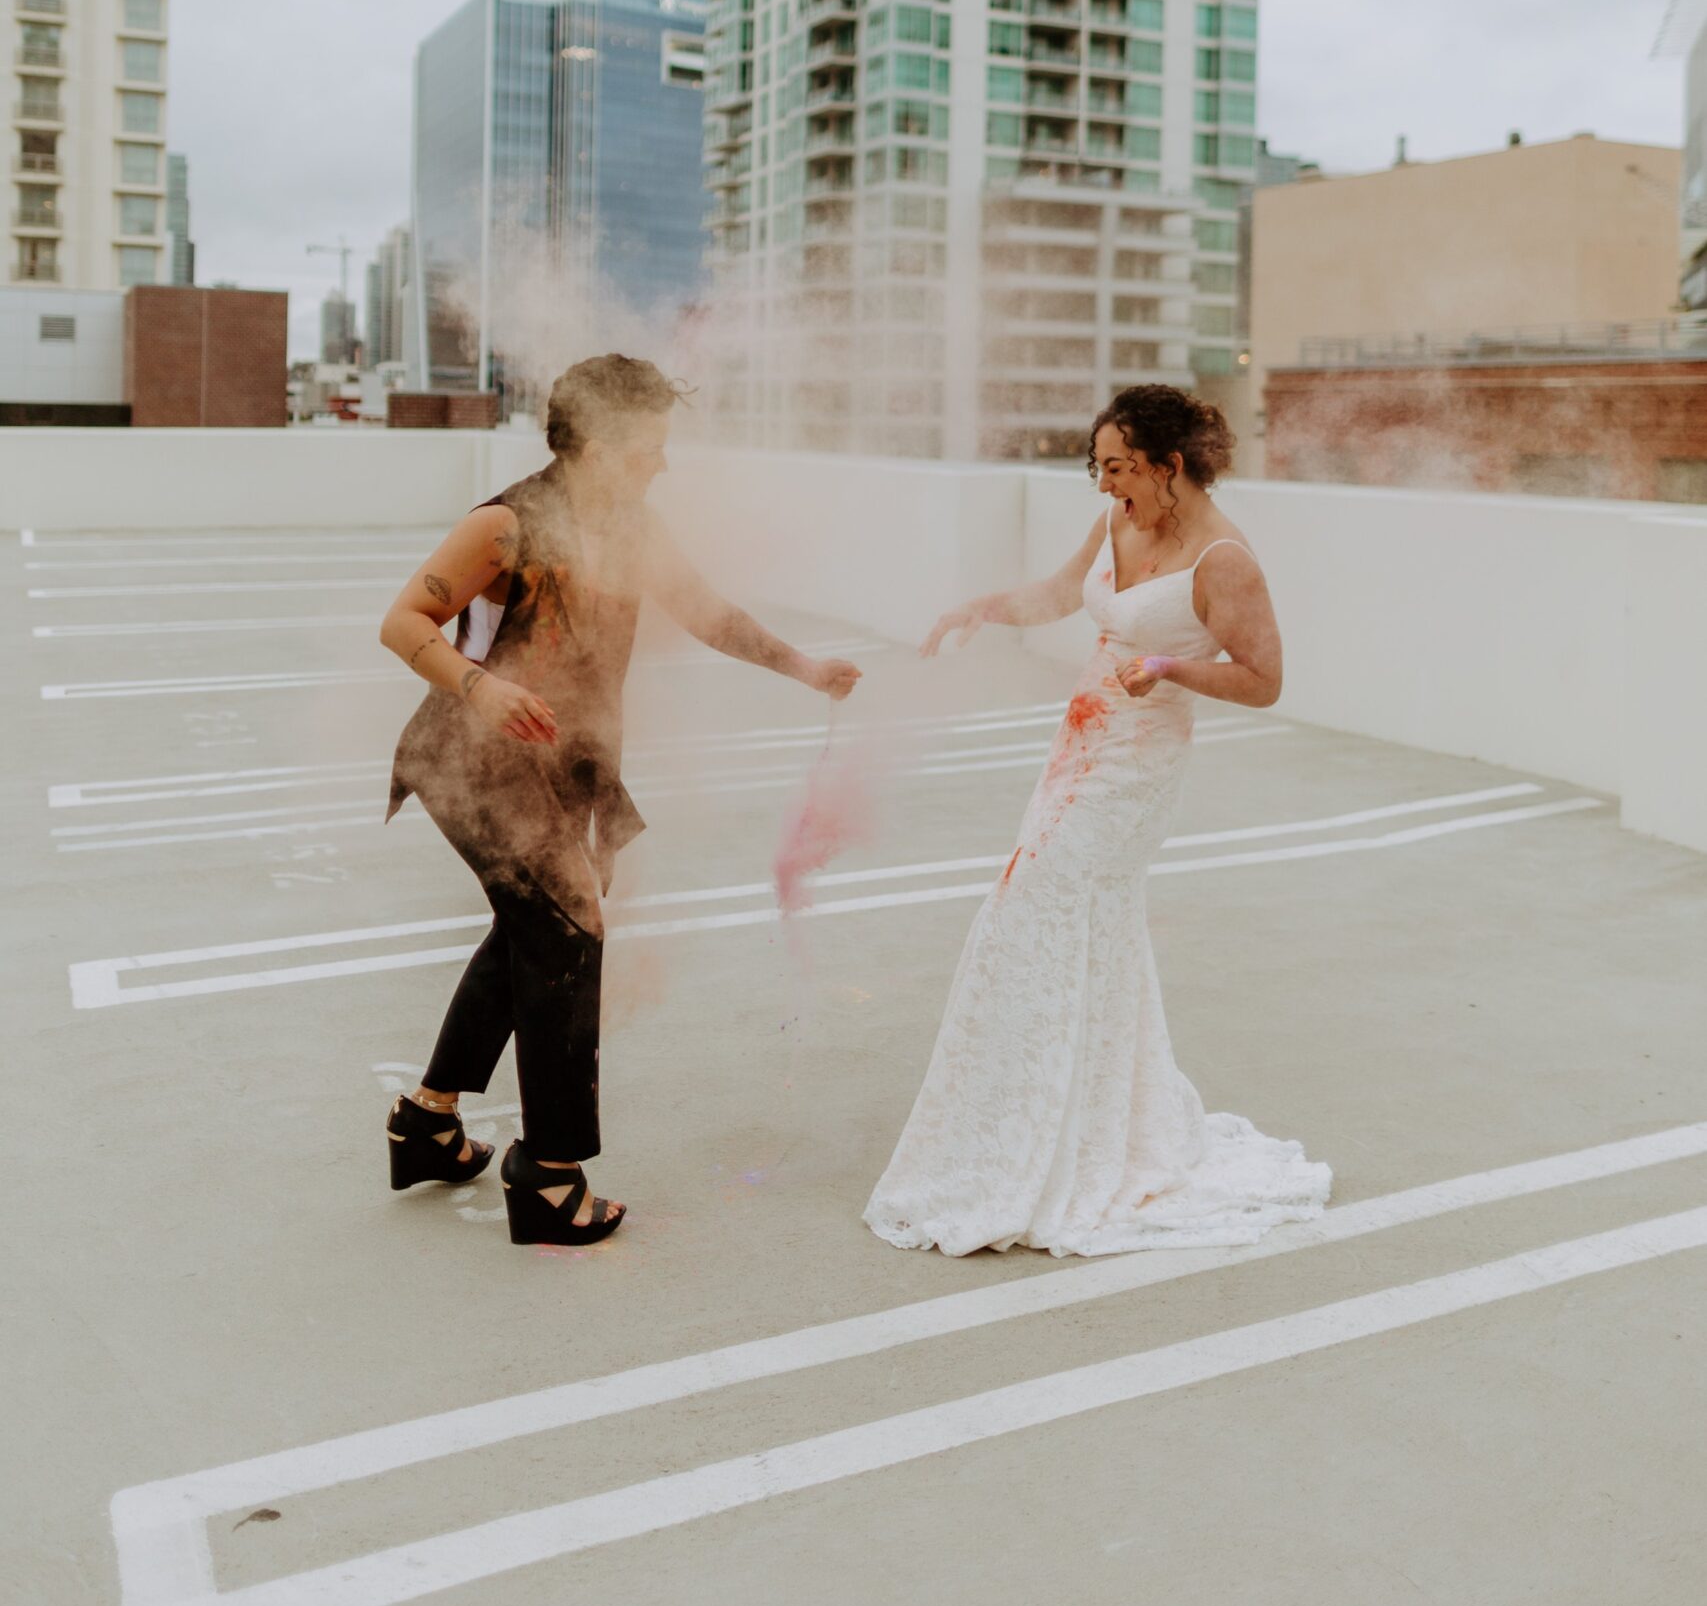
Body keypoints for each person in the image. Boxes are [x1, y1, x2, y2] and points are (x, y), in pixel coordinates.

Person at [378, 353, 860, 1245]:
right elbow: (404, 621)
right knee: (570, 928)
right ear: (596, 445)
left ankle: (430, 1121)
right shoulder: (506, 524)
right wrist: (485, 690)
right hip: (473, 758)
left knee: (532, 926)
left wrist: (803, 668)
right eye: (648, 448)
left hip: (562, 764)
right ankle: (549, 1175)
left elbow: (706, 613)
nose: (661, 465)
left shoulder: (633, 527)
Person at [864, 382, 1329, 1259]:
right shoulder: (1120, 520)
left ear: (1170, 464)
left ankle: (1060, 1133)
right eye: (1099, 468)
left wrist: (1169, 664)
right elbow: (1053, 593)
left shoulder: (1223, 560)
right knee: (1063, 918)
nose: (1107, 484)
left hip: (1138, 759)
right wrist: (980, 609)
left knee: (1038, 906)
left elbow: (1263, 678)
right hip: (1078, 742)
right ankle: (1067, 1117)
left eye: (1120, 467)